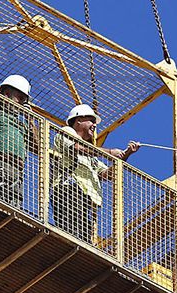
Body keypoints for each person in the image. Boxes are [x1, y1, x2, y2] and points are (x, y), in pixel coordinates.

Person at [50, 104, 140, 246]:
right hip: (67, 190)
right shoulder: (67, 131)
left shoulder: (90, 156)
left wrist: (126, 154)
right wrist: (110, 152)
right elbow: (76, 148)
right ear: (78, 120)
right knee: (71, 234)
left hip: (84, 197)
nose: (94, 125)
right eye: (91, 120)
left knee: (83, 238)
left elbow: (107, 174)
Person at [0, 74, 40, 206]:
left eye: (24, 101)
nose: (21, 104)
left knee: (12, 209)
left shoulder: (23, 126)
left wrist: (30, 120)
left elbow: (38, 149)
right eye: (20, 99)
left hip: (16, 173)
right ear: (6, 94)